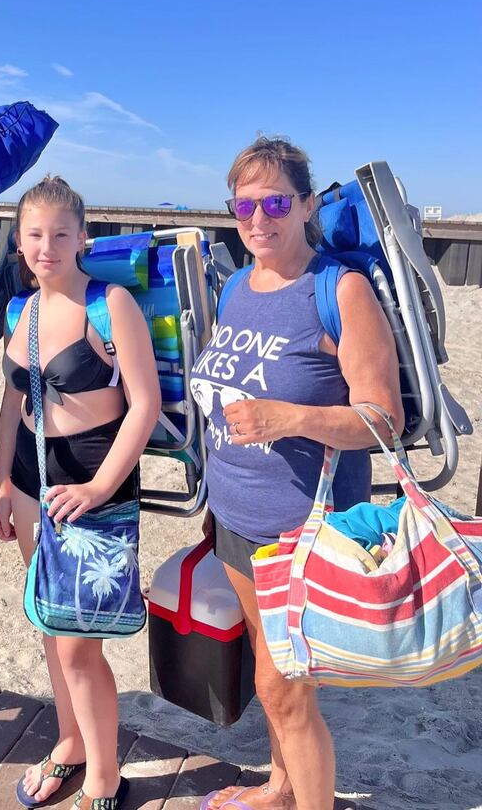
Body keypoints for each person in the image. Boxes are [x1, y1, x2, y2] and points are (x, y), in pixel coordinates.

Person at [190, 137, 404, 810]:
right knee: (268, 671)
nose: (259, 219)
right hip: (234, 517)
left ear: (307, 205)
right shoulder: (232, 288)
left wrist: (290, 418)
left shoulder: (339, 289)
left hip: (303, 532)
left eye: (276, 202)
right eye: (244, 205)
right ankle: (281, 786)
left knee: (286, 692)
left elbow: (383, 420)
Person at [0, 176, 161, 810]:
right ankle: (70, 740)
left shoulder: (108, 303)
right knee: (48, 622)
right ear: (20, 242)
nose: (46, 246)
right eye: (33, 234)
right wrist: (4, 482)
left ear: (83, 237)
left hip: (96, 485)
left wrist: (98, 486)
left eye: (60, 234)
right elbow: (13, 404)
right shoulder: (20, 309)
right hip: (35, 485)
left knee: (78, 645)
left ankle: (106, 775)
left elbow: (143, 405)